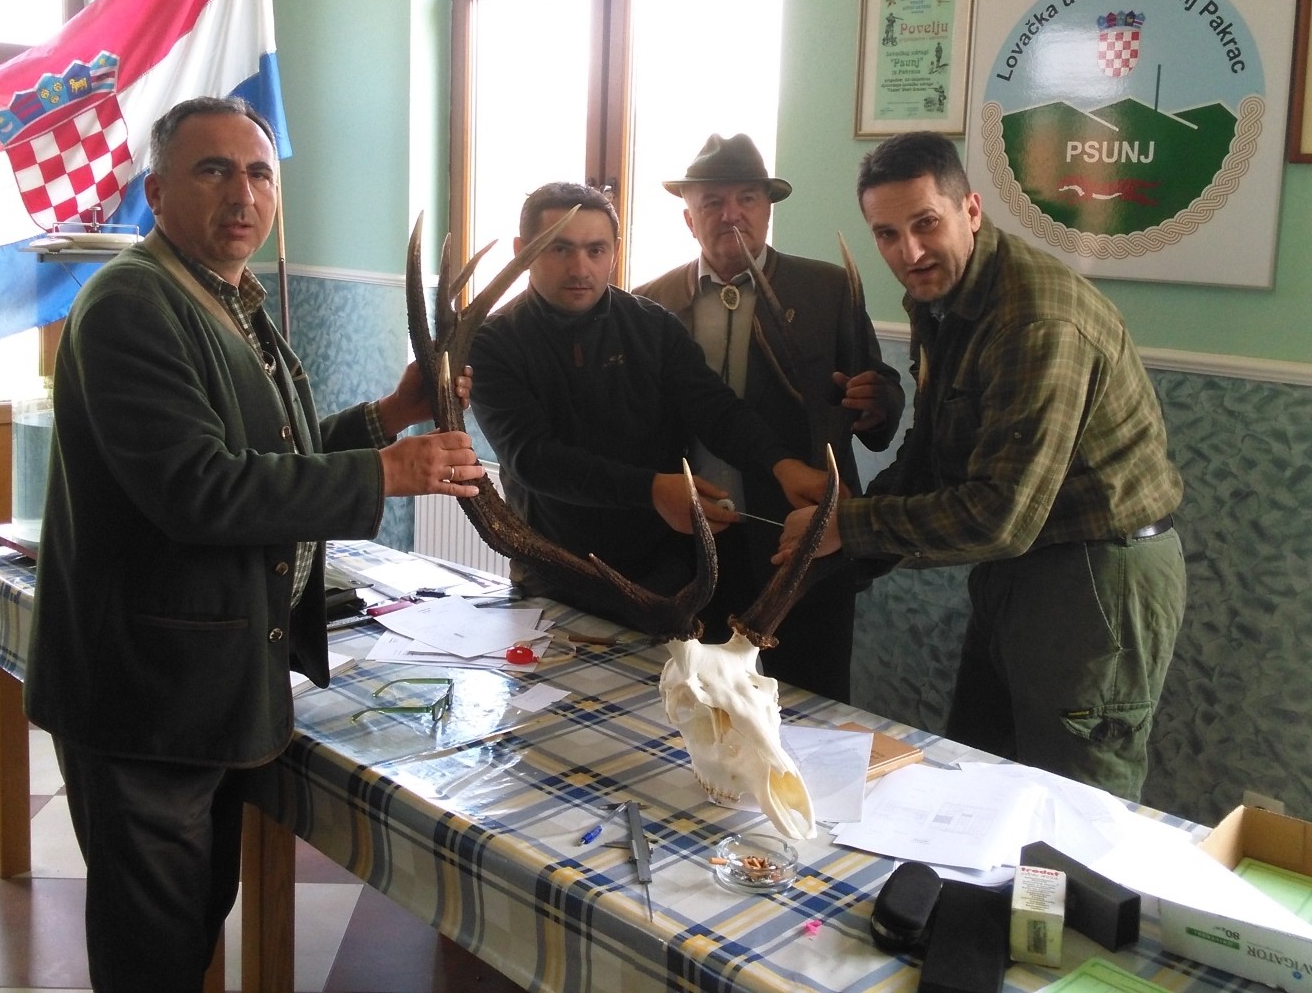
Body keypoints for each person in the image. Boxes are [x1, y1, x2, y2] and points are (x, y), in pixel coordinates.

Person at [23, 96, 485, 993]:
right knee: (152, 949)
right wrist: (385, 472)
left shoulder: (224, 295)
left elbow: (269, 455)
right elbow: (201, 489)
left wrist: (391, 415)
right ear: (157, 191)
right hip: (147, 698)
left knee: (191, 917)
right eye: (214, 170)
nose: (243, 193)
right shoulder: (132, 304)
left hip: (209, 685)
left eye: (260, 173)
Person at [776, 132, 1185, 800]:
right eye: (886, 234)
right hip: (1018, 569)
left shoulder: (1035, 320)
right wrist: (839, 547)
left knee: (1074, 805)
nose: (909, 252)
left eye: (925, 224)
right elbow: (932, 450)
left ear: (970, 210)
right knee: (983, 779)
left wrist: (849, 527)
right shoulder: (942, 297)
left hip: (1097, 578)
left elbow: (1000, 516)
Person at [468, 181, 826, 630]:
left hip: (663, 574)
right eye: (560, 249)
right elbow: (533, 458)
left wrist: (781, 464)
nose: (580, 268)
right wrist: (652, 490)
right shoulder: (491, 343)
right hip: (554, 575)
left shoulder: (652, 325)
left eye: (596, 250)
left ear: (614, 252)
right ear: (522, 251)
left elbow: (714, 409)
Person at [631, 134, 904, 700]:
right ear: (689, 219)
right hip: (691, 550)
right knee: (698, 706)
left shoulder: (829, 289)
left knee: (810, 707)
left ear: (767, 210)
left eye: (747, 199)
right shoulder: (649, 303)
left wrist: (879, 403)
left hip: (803, 549)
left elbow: (876, 403)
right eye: (712, 202)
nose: (731, 214)